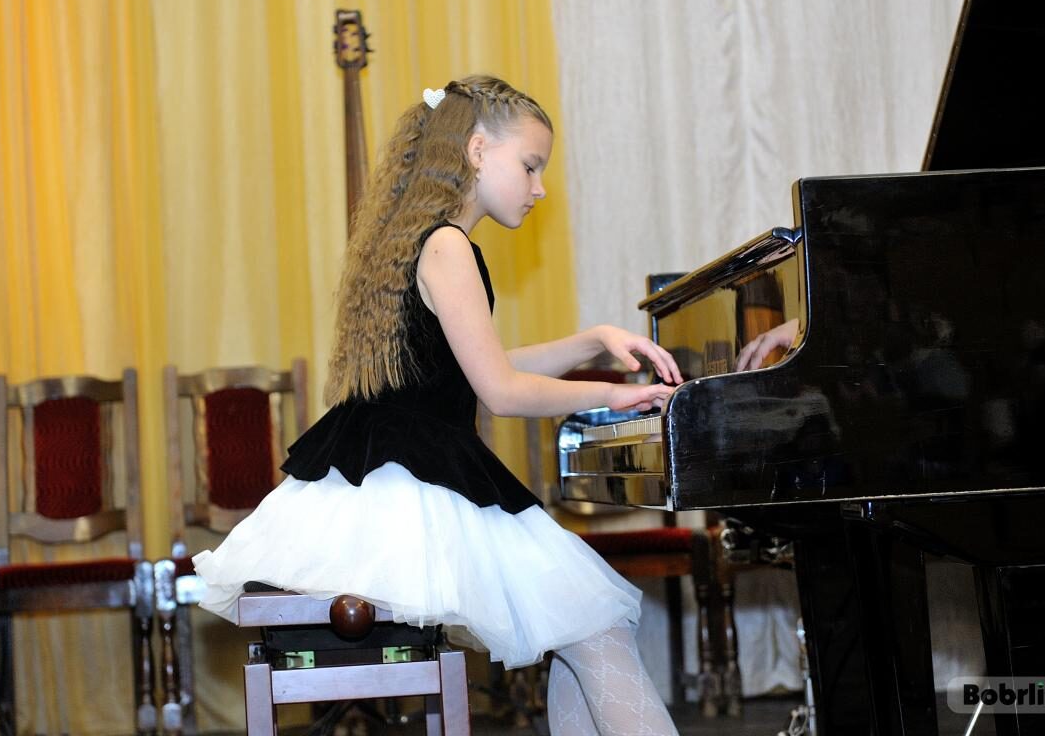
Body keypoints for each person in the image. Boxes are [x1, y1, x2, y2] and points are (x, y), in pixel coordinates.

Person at [192, 74, 686, 735]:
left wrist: (595, 340)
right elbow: (500, 391)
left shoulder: (431, 239)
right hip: (416, 487)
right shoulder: (449, 245)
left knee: (584, 630)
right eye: (530, 165)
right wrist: (615, 395)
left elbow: (479, 367)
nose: (539, 187)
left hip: (395, 476)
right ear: (478, 150)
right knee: (595, 627)